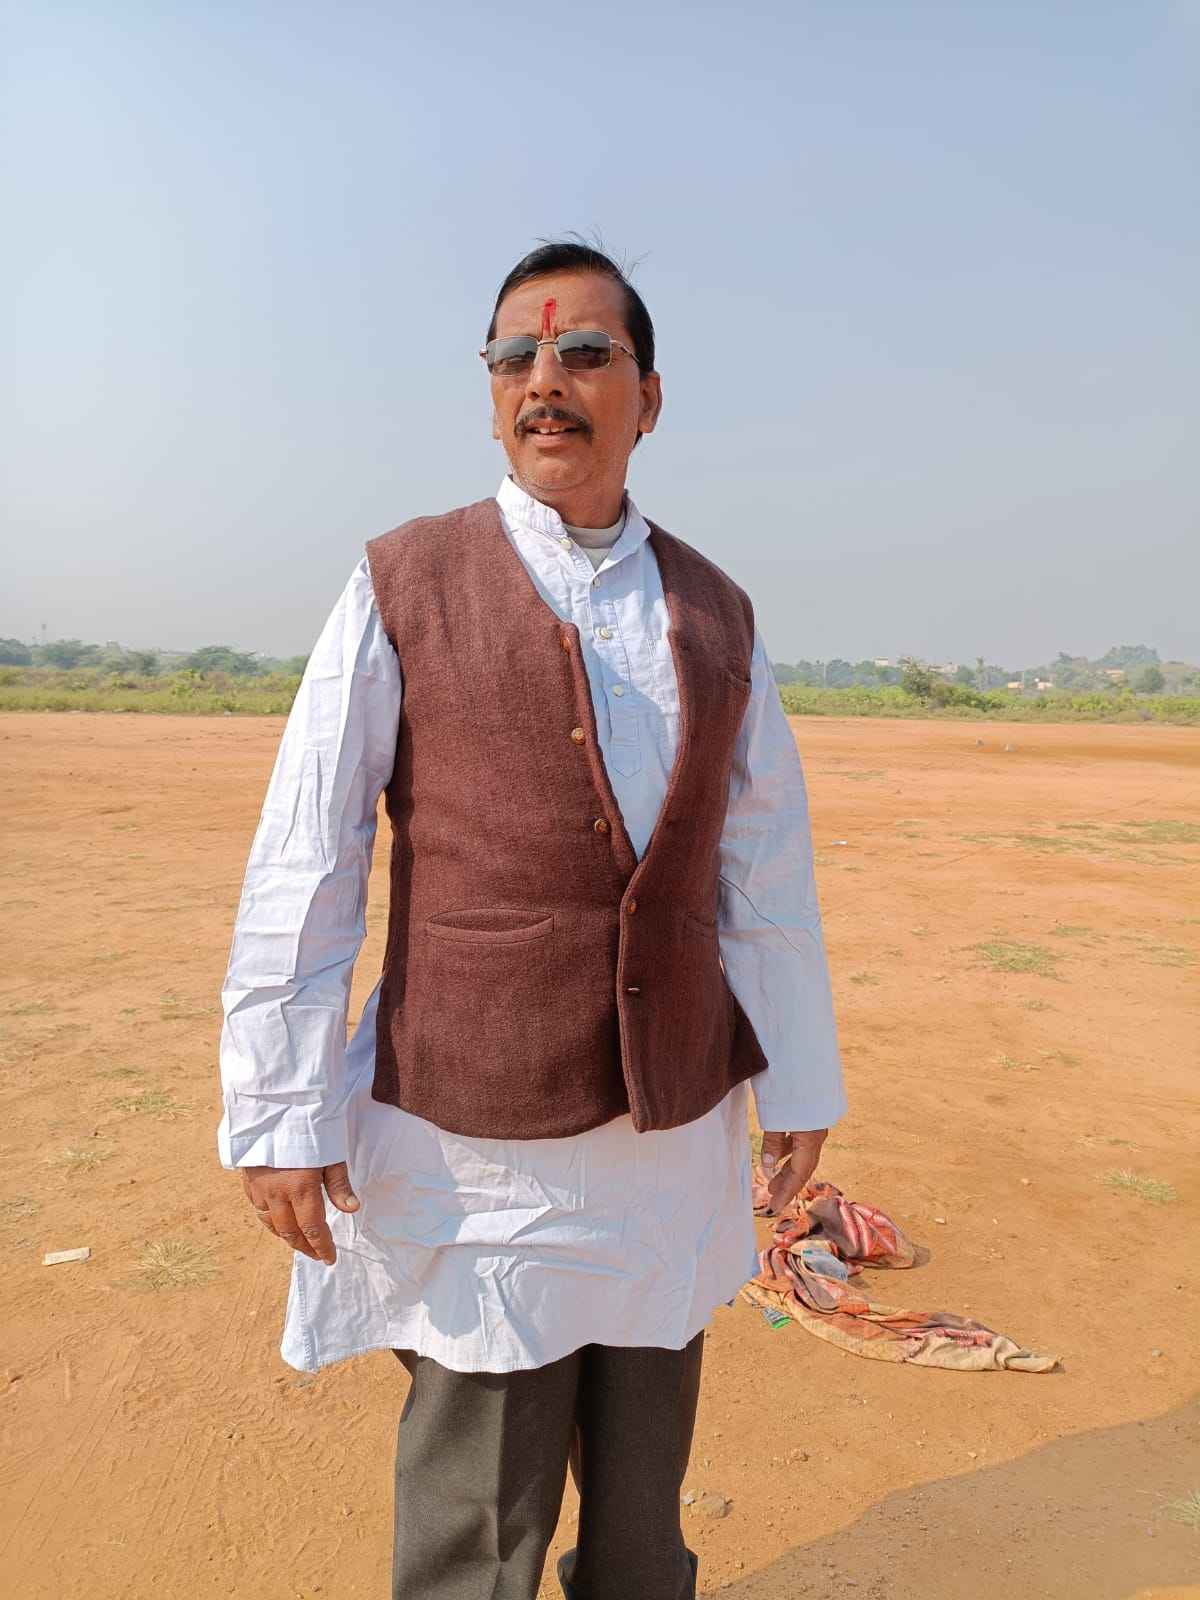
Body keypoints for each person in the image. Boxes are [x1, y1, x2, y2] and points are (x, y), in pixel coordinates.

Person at [216, 239, 846, 1600]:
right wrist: (277, 1108)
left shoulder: (716, 612)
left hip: (666, 1142)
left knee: (639, 1500)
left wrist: (798, 1077)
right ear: (492, 392)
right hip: (478, 1146)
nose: (545, 381)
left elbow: (761, 866)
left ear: (648, 398)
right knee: (479, 1510)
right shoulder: (405, 579)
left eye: (584, 354)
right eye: (516, 357)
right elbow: (308, 852)